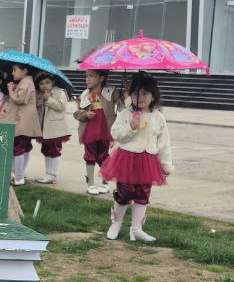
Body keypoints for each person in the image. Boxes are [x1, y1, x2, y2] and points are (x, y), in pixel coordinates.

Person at [102, 74, 173, 242]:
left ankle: (136, 228)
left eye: (144, 94)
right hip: (127, 159)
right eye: (135, 94)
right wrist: (131, 127)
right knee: (124, 191)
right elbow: (116, 134)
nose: (139, 98)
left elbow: (163, 143)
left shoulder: (158, 117)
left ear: (153, 96)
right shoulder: (126, 114)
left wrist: (166, 164)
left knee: (143, 193)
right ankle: (116, 223)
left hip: (147, 160)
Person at [74, 69, 122, 195]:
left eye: (91, 76)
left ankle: (105, 183)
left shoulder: (110, 92)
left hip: (105, 130)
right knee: (90, 156)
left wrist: (126, 86)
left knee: (104, 157)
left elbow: (123, 104)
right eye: (86, 76)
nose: (87, 79)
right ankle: (90, 183)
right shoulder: (85, 95)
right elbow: (77, 113)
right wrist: (85, 114)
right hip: (90, 131)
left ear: (101, 78)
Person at [0, 63, 41, 187]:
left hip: (23, 120)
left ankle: (18, 177)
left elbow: (19, 99)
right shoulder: (25, 82)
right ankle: (18, 173)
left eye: (15, 70)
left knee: (18, 148)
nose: (12, 73)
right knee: (24, 147)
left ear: (25, 71)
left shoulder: (26, 82)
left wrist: (11, 90)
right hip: (25, 120)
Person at [33, 72, 71, 185]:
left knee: (54, 150)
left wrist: (48, 99)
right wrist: (40, 104)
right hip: (45, 128)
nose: (44, 86)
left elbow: (60, 107)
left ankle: (52, 174)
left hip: (55, 128)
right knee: (46, 150)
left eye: (47, 82)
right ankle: (48, 172)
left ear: (53, 82)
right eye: (41, 84)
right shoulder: (40, 94)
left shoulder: (60, 92)